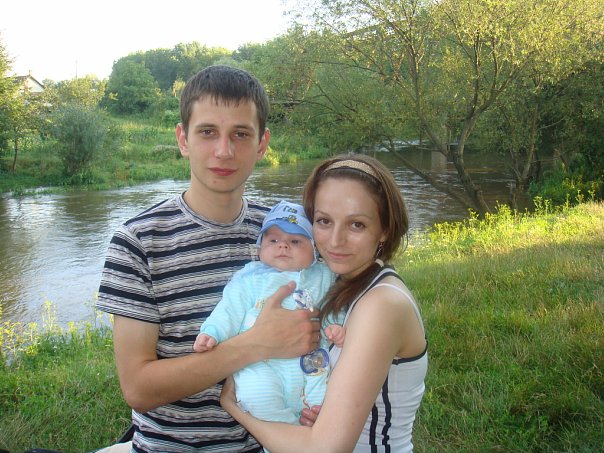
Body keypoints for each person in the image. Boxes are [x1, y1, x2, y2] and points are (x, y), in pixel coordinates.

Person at [95, 65, 321, 452]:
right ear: (183, 139)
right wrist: (256, 344)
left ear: (262, 144)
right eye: (207, 132)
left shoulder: (286, 234)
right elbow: (138, 388)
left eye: (240, 134)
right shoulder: (138, 242)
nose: (224, 151)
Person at [221, 154, 428, 452]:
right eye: (324, 221)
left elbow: (325, 448)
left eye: (356, 224)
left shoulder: (382, 305)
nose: (335, 240)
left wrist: (235, 407)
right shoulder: (336, 284)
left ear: (384, 229)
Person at [194, 199, 345, 427]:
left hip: (311, 362)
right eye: (273, 240)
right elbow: (229, 308)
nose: (282, 246)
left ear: (314, 250)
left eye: (295, 241)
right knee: (258, 397)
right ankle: (289, 435)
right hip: (261, 363)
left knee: (324, 401)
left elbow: (334, 304)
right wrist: (213, 331)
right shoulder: (249, 278)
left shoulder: (322, 275)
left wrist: (336, 326)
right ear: (260, 247)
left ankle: (310, 431)